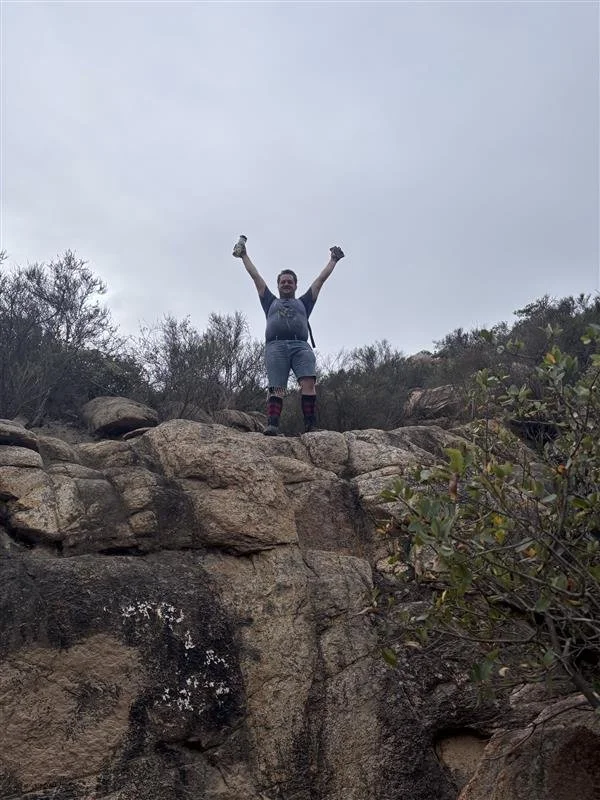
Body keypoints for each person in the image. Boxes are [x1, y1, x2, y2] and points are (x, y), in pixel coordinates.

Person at [233, 239, 345, 435]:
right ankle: (273, 425)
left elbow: (320, 280)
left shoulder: (305, 302)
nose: (286, 284)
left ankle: (310, 426)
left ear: (295, 285)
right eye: (283, 281)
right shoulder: (269, 301)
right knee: (277, 388)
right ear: (278, 285)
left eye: (289, 282)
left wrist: (333, 260)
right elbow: (255, 276)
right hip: (275, 346)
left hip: (300, 345)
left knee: (309, 383)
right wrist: (243, 255)